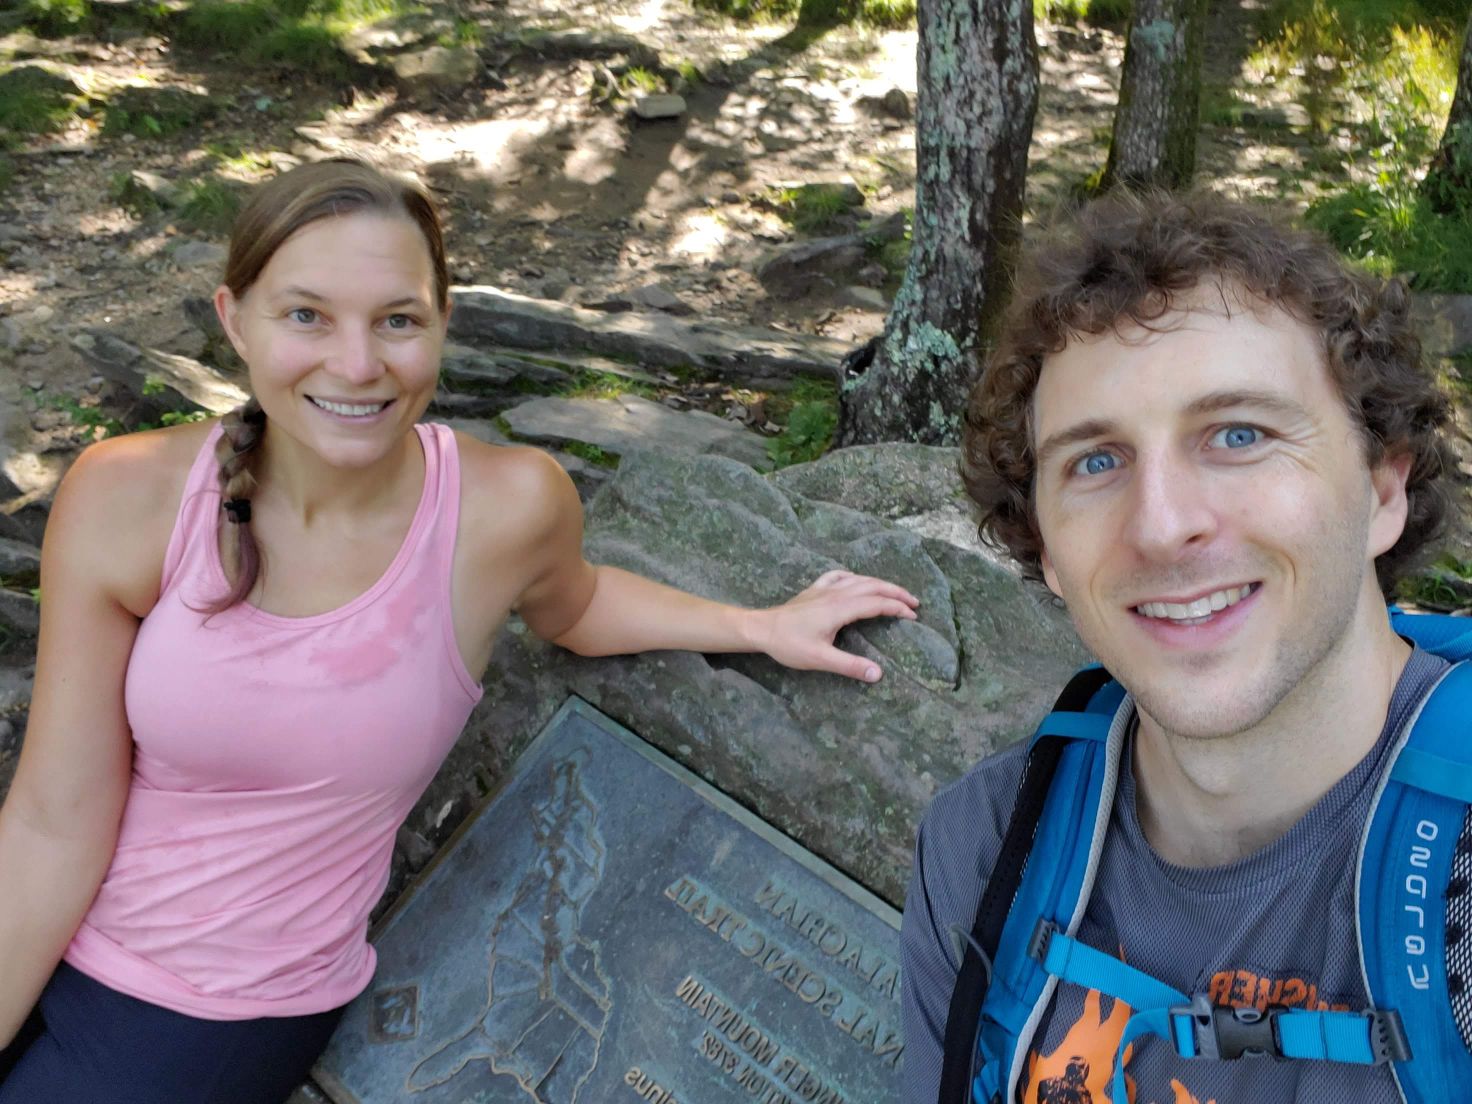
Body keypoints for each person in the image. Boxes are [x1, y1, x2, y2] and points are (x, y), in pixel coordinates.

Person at [0, 157, 920, 1104]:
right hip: (46, 926)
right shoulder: (126, 494)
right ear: (234, 319)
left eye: (397, 320)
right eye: (306, 315)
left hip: (212, 1013)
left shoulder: (503, 509)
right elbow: (48, 820)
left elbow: (579, 604)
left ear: (442, 323)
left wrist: (758, 625)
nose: (357, 365)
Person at [900, 189, 1466, 1104]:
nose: (1161, 528)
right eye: (1094, 461)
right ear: (1043, 544)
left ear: (1383, 490)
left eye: (1238, 435)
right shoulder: (984, 853)